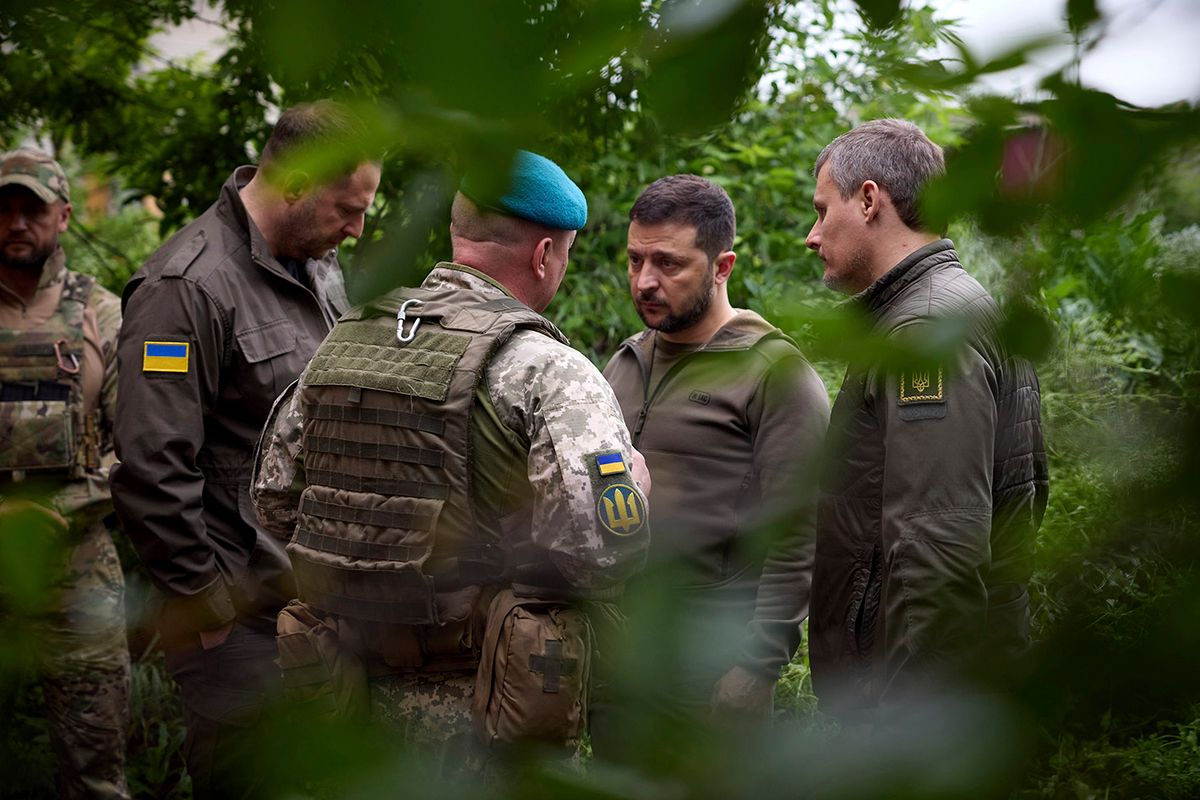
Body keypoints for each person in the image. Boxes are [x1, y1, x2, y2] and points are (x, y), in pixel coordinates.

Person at [251, 149, 650, 768]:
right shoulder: (546, 369)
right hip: (486, 714)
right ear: (545, 255)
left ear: (459, 236)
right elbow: (602, 552)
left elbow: (275, 501)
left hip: (349, 704)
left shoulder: (347, 338)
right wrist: (638, 490)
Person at [110, 101, 381, 797]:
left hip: (317, 609)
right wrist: (209, 614)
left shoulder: (314, 265)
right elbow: (151, 467)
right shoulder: (185, 288)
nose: (355, 230)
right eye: (346, 210)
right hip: (240, 628)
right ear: (293, 186)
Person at [804, 119, 1049, 725]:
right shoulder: (946, 309)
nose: (812, 236)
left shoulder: (924, 331)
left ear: (868, 200)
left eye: (820, 210)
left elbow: (937, 548)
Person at [600, 174, 829, 731]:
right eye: (635, 261)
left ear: (722, 267)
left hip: (711, 664)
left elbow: (800, 531)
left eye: (669, 264)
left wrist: (757, 666)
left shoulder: (773, 371)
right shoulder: (624, 363)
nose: (645, 282)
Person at [0, 148, 130, 799]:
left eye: (33, 209)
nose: (17, 222)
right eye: (4, 208)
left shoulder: (101, 313)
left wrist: (68, 510)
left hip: (75, 560)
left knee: (94, 765)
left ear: (64, 215)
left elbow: (136, 445)